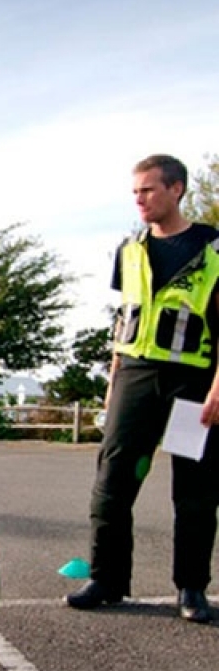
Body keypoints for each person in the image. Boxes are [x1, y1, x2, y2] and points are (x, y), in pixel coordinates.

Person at [66, 154, 219, 624]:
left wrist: (217, 391)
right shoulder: (128, 249)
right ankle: (107, 578)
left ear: (176, 190)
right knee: (112, 481)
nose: (139, 199)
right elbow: (124, 319)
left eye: (148, 190)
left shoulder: (213, 250)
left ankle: (191, 589)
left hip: (193, 382)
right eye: (135, 191)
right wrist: (114, 384)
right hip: (134, 375)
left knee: (194, 491)